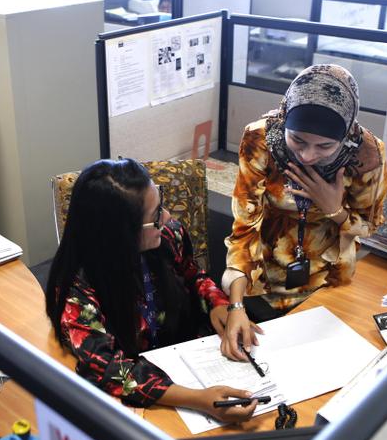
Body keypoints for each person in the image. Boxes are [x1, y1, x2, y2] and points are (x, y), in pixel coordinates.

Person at [46, 158, 257, 423]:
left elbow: (193, 275)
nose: (167, 217)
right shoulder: (76, 288)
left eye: (162, 204)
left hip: (187, 359)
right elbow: (109, 368)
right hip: (152, 399)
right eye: (155, 215)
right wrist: (199, 399)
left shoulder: (169, 235)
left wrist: (218, 302)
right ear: (119, 233)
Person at [221, 64, 387, 361]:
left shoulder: (367, 156)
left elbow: (368, 228)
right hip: (262, 280)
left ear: (347, 131)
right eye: (297, 140)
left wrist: (334, 209)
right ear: (285, 118)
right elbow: (244, 228)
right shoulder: (259, 140)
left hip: (327, 282)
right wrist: (236, 306)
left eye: (325, 146)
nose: (308, 155)